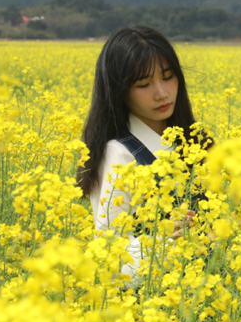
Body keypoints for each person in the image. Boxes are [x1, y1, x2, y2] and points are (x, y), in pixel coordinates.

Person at [78, 25, 204, 285]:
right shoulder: (120, 154)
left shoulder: (193, 145)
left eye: (168, 77)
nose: (161, 93)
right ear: (118, 91)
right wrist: (168, 242)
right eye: (144, 84)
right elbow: (108, 262)